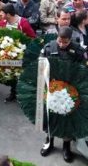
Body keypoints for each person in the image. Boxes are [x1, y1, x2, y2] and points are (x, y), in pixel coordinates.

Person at [40, 26, 86, 163]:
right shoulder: (49, 47)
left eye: (65, 42)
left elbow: (83, 70)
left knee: (67, 118)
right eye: (60, 41)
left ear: (70, 40)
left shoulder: (78, 50)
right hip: (52, 88)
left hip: (70, 91)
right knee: (51, 117)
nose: (61, 44)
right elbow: (41, 66)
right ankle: (49, 142)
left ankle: (66, 147)